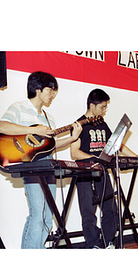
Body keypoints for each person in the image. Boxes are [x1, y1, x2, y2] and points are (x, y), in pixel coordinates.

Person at [0, 71, 82, 248]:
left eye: (54, 91)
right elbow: (2, 126)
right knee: (38, 213)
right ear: (37, 89)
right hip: (31, 166)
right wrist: (33, 130)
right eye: (50, 90)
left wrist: (71, 138)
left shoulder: (48, 118)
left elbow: (50, 146)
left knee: (47, 215)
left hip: (48, 165)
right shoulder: (19, 107)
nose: (52, 95)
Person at [70, 88, 136, 249]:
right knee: (88, 213)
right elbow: (74, 153)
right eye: (102, 107)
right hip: (85, 173)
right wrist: (94, 159)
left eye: (106, 107)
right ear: (91, 105)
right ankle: (93, 245)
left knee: (111, 209)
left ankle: (108, 243)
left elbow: (116, 144)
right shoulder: (79, 125)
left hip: (102, 172)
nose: (105, 111)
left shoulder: (102, 124)